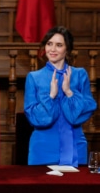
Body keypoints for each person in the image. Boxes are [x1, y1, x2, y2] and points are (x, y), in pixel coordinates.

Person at [24, 26, 97, 167]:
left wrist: (69, 92)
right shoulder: (34, 77)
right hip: (42, 149)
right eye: (49, 44)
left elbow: (80, 115)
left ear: (67, 50)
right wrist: (51, 96)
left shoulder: (80, 74)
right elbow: (34, 117)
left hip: (76, 146)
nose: (52, 49)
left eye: (59, 45)